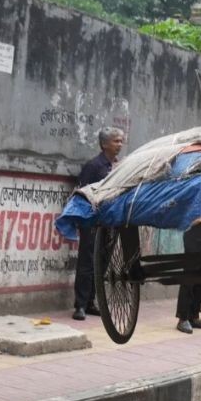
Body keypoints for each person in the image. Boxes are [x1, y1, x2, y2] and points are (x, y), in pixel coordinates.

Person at [72, 127, 125, 320]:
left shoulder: (118, 166)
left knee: (101, 264)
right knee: (86, 263)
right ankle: (80, 305)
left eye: (120, 141)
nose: (120, 144)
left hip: (110, 223)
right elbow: (82, 192)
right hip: (92, 222)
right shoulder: (94, 166)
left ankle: (91, 302)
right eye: (116, 141)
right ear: (104, 144)